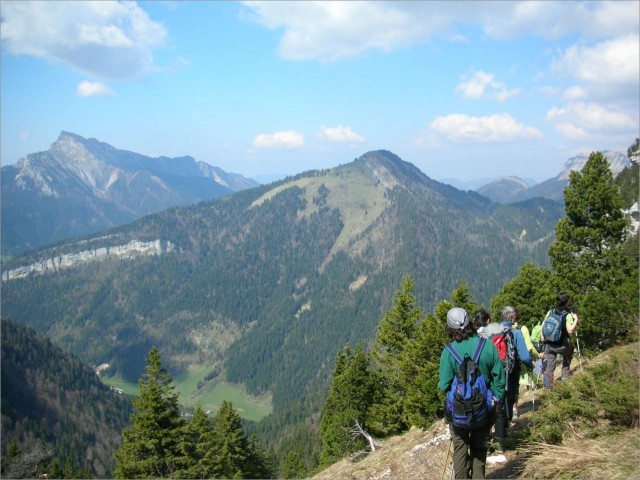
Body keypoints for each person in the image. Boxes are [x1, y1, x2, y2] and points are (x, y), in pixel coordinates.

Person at [439, 307, 506, 479]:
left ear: (449, 328)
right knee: (479, 449)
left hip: (459, 412)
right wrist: (497, 399)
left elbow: (444, 384)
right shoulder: (487, 345)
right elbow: (499, 378)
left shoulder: (449, 351)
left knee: (460, 448)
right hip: (483, 408)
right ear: (470, 323)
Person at [493, 306, 532, 452]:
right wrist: (530, 365)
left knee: (497, 402)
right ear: (512, 318)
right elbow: (524, 356)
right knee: (507, 402)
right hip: (511, 373)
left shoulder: (493, 333)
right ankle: (502, 437)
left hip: (495, 373)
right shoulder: (515, 333)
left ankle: (496, 436)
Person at [542, 293, 579, 387]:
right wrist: (575, 319)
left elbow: (543, 325)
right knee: (567, 356)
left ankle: (548, 387)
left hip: (549, 344)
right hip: (562, 345)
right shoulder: (567, 314)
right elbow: (570, 330)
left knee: (549, 366)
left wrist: (543, 338)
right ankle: (565, 378)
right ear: (567, 302)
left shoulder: (551, 312)